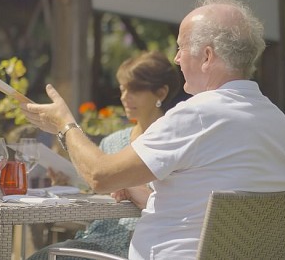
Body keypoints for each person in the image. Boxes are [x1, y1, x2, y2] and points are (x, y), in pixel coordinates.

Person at [22, 0, 285, 259]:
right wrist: (139, 193)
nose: (177, 58)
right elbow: (210, 211)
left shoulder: (197, 114)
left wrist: (65, 124)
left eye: (181, 47)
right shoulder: (278, 122)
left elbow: (100, 176)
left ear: (207, 57)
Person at [28, 51, 181, 259]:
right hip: (95, 237)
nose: (124, 97)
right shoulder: (111, 142)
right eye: (123, 89)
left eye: (134, 90)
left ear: (161, 93)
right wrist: (68, 185)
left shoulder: (172, 143)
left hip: (135, 246)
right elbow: (97, 196)